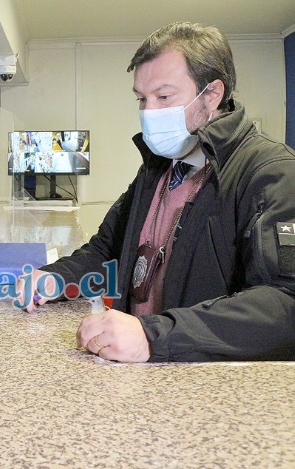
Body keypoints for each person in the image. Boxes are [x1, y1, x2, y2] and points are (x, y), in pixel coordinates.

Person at [17, 22, 295, 362]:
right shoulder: (159, 167)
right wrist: (56, 277)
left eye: (164, 97)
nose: (148, 112)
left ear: (212, 94)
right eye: (141, 98)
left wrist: (154, 336)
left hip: (200, 377)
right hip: (141, 368)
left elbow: (284, 303)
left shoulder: (272, 172)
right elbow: (108, 248)